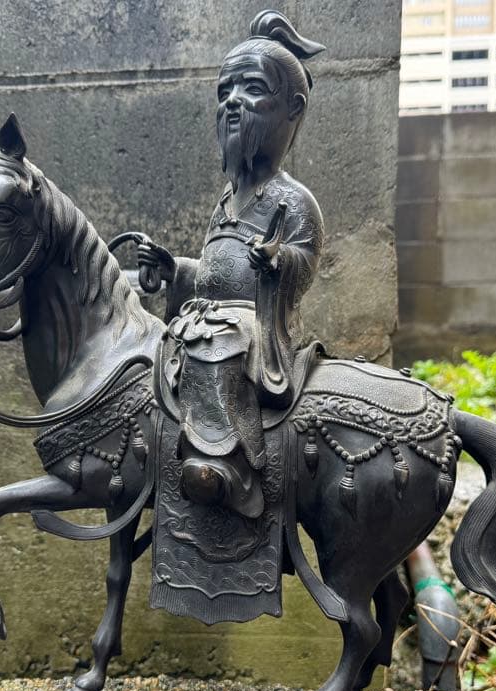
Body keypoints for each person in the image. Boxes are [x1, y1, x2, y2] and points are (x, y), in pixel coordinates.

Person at [139, 10, 325, 519]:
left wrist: (278, 258)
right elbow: (213, 269)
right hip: (209, 313)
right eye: (225, 91)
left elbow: (306, 260)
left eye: (252, 89)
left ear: (292, 108)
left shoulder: (293, 200)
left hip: (257, 325)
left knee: (219, 344)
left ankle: (223, 466)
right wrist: (177, 269)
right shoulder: (228, 196)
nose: (233, 102)